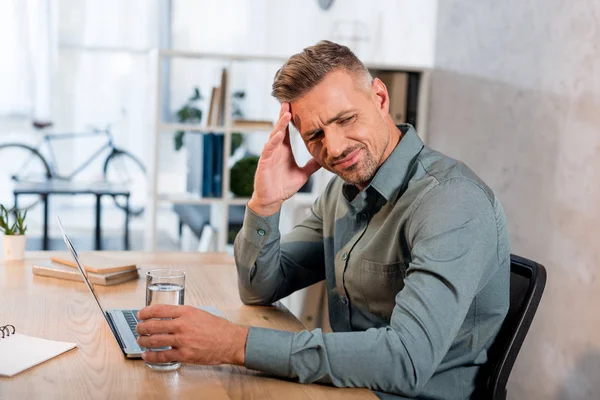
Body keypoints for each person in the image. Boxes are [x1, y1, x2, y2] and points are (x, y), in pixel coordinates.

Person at [136, 40, 510, 399]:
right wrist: (265, 203)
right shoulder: (341, 192)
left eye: (345, 119)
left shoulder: (450, 201)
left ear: (380, 98)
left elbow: (405, 360)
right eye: (314, 135)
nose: (333, 148)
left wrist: (233, 343)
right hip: (346, 387)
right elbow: (261, 288)